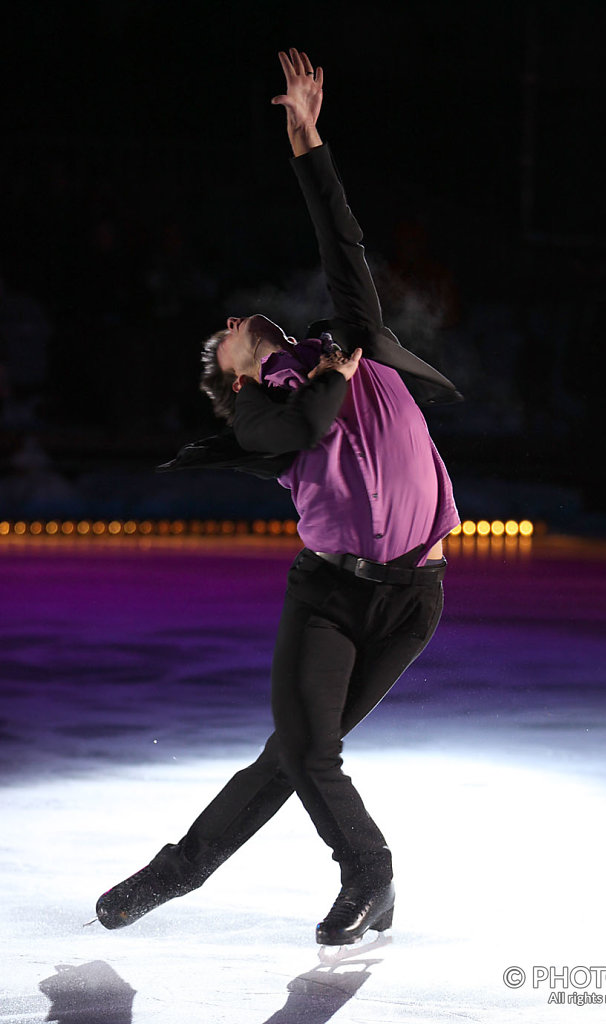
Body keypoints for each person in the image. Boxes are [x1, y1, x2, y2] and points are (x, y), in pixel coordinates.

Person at [96, 47, 461, 947]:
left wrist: (308, 143)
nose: (230, 324)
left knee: (294, 755)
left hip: (413, 596)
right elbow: (300, 430)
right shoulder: (262, 421)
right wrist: (331, 376)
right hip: (329, 597)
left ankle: (180, 868)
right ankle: (364, 875)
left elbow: (342, 241)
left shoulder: (353, 336)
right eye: (222, 342)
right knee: (305, 751)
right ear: (234, 382)